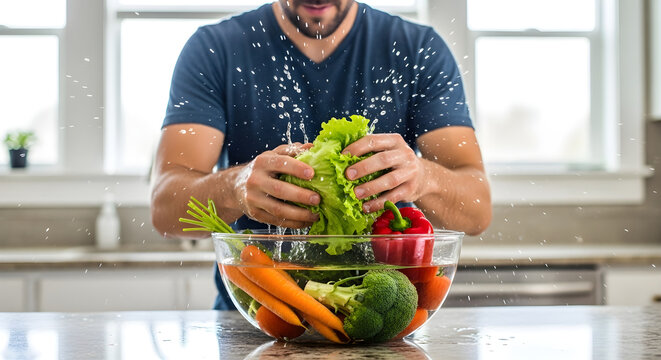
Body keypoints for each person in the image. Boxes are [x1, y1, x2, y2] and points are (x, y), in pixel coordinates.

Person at [150, 0, 492, 310]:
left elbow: (477, 211)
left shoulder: (417, 49)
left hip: (385, 318)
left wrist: (424, 176)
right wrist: (233, 187)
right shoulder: (215, 49)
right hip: (259, 316)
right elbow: (166, 209)